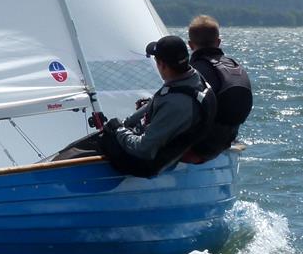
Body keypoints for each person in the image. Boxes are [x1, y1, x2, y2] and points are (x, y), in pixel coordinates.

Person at [52, 35, 216, 178]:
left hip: (144, 163)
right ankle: (57, 161)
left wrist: (118, 130)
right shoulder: (193, 79)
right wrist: (127, 122)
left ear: (163, 65)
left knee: (95, 143)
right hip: (160, 145)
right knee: (99, 136)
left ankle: (49, 173)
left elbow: (142, 149)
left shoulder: (176, 103)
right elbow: (166, 101)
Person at [185, 15, 253, 162]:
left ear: (190, 45)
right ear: (218, 42)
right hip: (227, 138)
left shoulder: (194, 71)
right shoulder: (234, 66)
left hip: (200, 149)